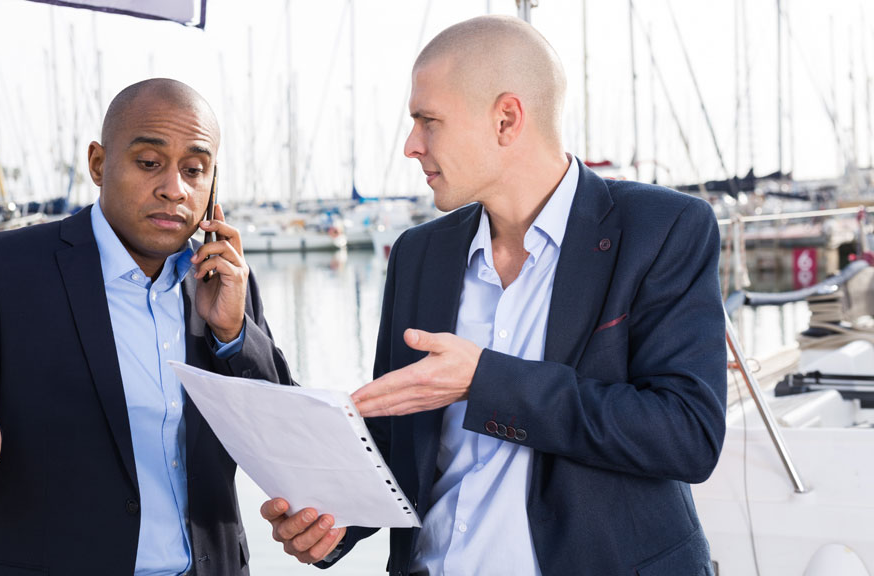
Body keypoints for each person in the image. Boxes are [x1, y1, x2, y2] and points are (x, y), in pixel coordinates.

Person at [261, 15, 726, 576]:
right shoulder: (417, 253)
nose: (411, 146)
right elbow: (397, 436)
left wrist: (485, 382)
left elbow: (687, 434)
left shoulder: (664, 228)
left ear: (506, 119)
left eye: (427, 121)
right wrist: (331, 523)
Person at [0, 78, 293, 576]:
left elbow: (287, 440)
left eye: (195, 169)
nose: (174, 188)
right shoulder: (2, 271)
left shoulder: (225, 282)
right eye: (149, 163)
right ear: (99, 163)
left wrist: (233, 335)